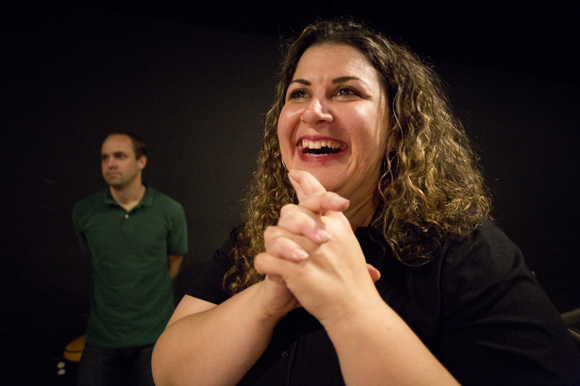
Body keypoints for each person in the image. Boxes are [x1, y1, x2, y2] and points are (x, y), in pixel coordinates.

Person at [151, 19, 580, 386]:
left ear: (398, 128)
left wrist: (349, 304)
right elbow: (170, 373)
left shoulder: (465, 253)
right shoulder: (257, 238)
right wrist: (268, 298)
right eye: (298, 93)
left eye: (347, 91)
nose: (313, 111)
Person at [73, 133, 188, 386]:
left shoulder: (169, 210)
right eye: (105, 158)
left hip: (154, 334)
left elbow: (175, 260)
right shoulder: (84, 212)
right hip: (102, 335)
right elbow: (94, 260)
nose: (110, 164)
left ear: (141, 161)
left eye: (120, 156)